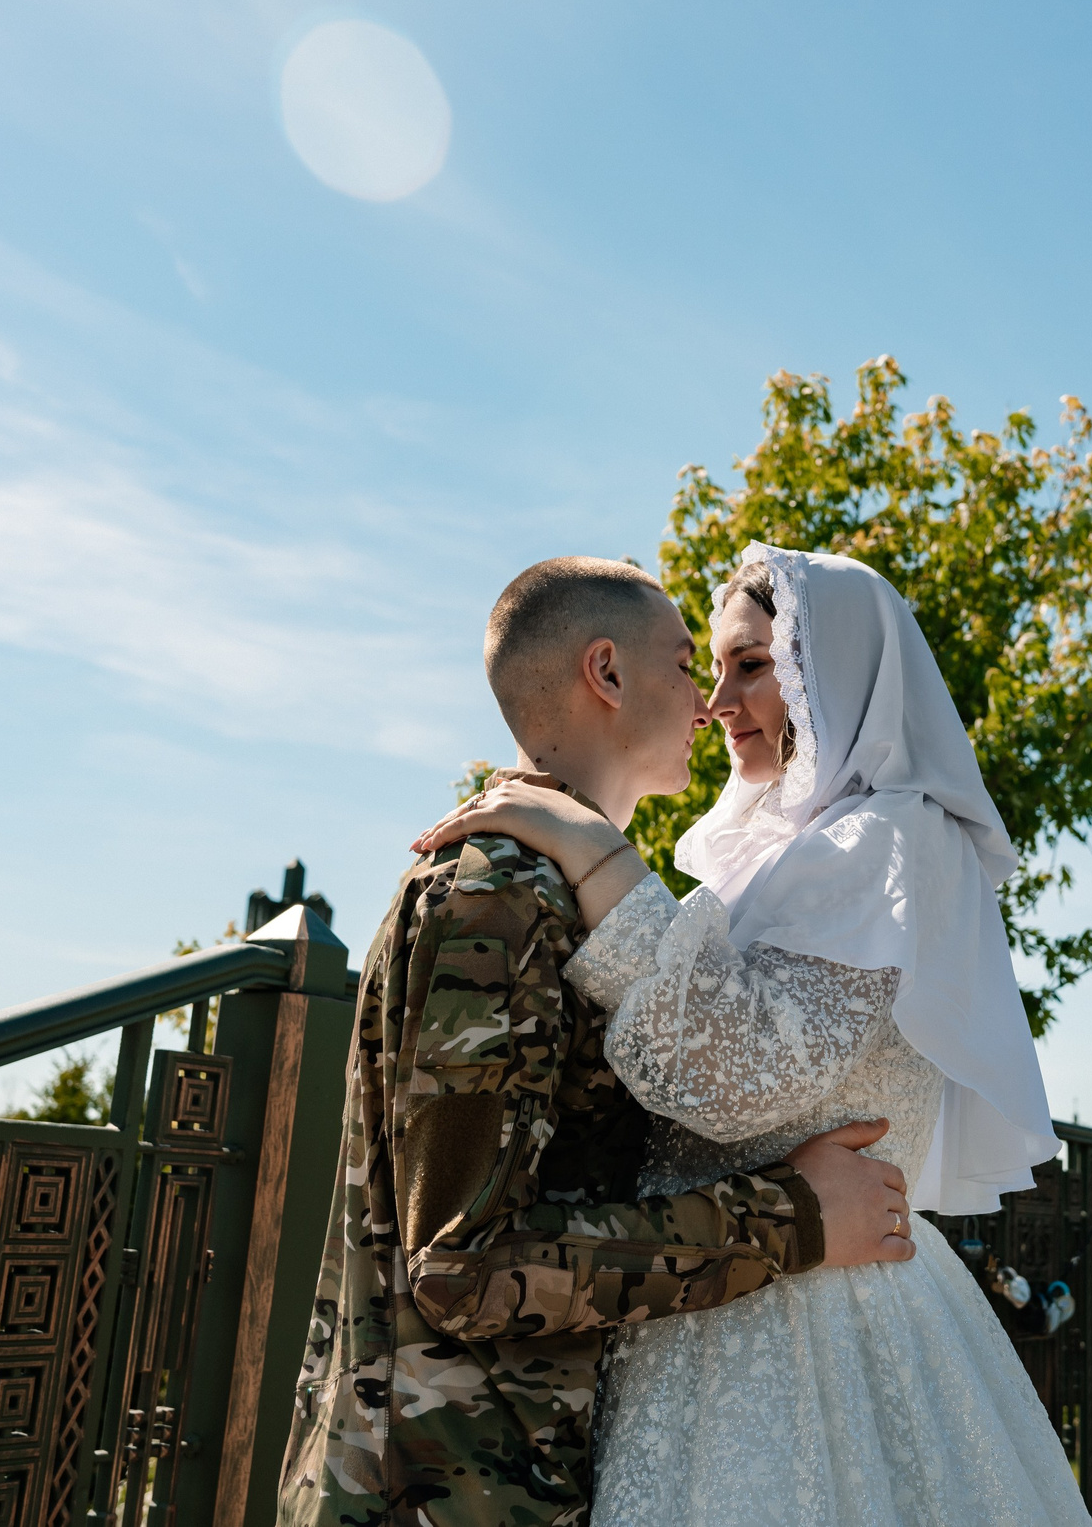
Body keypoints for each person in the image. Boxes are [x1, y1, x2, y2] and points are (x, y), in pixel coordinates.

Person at [413, 544, 1092, 1527]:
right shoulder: (755, 860)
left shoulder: (892, 837)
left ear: (838, 672)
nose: (717, 702)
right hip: (711, 1294)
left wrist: (595, 850)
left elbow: (734, 1077)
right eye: (712, 667)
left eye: (752, 666)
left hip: (816, 1318)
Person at [277, 555, 919, 1527]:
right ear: (607, 674)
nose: (706, 703)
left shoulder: (553, 889)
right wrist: (792, 1218)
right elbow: (467, 1265)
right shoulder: (497, 894)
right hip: (440, 1491)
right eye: (679, 666)